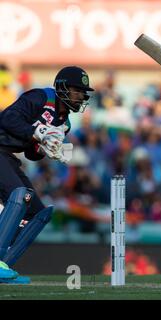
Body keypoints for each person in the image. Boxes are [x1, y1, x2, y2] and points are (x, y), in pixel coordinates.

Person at [0, 66, 94, 284]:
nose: (81, 96)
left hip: (8, 155)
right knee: (19, 194)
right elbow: (7, 119)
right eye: (77, 90)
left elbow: (30, 153)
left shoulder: (65, 124)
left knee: (38, 212)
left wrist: (45, 150)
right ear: (62, 88)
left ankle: (5, 264)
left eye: (83, 92)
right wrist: (39, 132)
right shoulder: (40, 96)